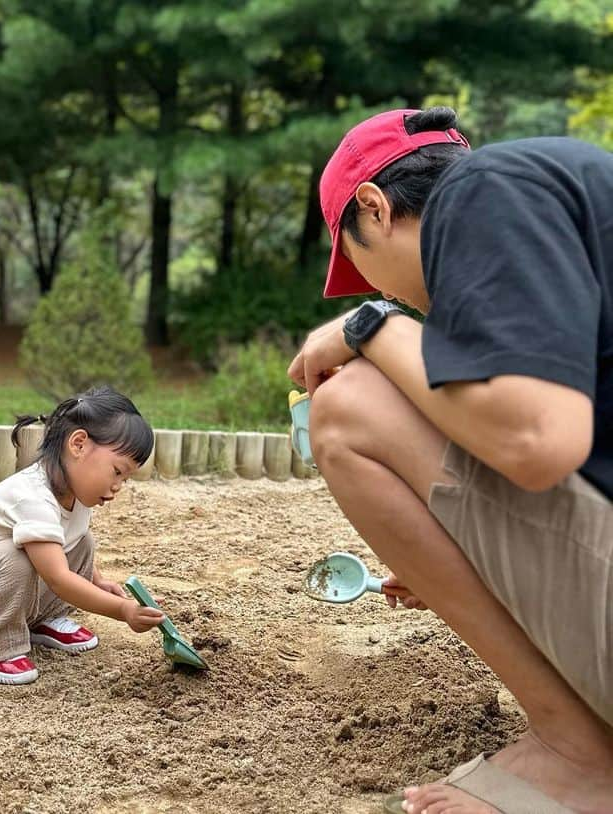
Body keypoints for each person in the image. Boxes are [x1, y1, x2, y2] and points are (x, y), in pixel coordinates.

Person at [290, 107, 613, 813]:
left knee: (347, 409)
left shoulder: (485, 190)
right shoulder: (562, 199)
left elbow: (539, 443)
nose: (384, 291)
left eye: (365, 271)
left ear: (373, 208)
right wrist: (463, 546)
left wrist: (371, 326)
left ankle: (578, 756)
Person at [0, 385, 165, 685]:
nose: (119, 485)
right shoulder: (33, 497)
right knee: (18, 558)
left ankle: (41, 619)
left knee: (82, 542)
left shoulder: (76, 492)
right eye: (117, 471)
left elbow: (68, 540)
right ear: (78, 444)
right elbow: (58, 579)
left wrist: (98, 581)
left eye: (126, 478)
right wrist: (123, 610)